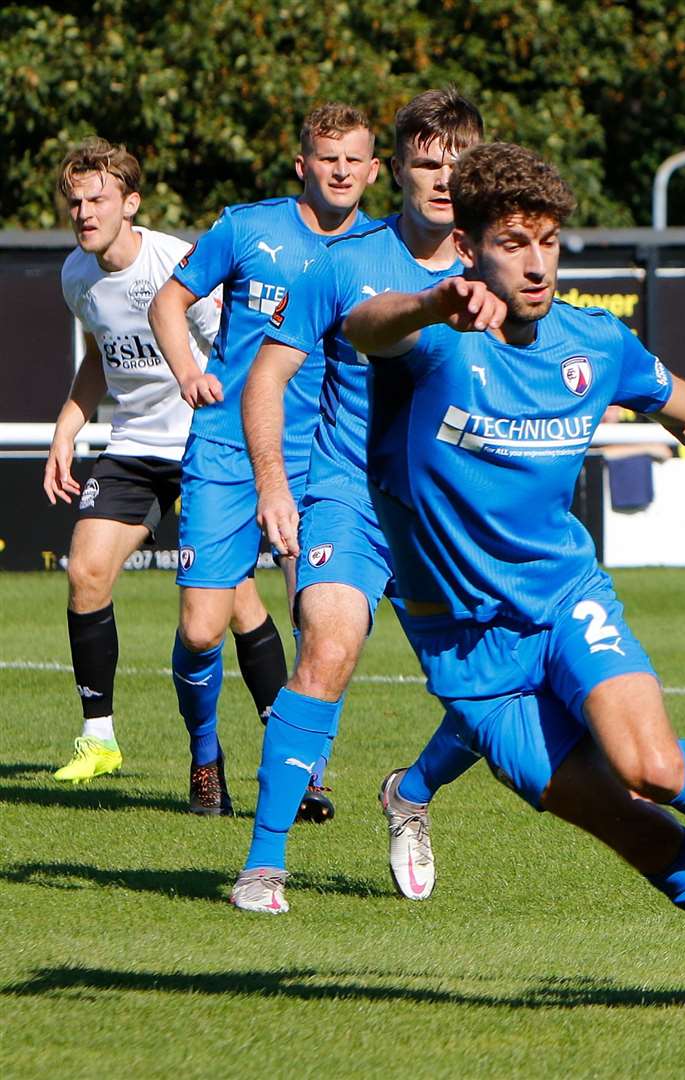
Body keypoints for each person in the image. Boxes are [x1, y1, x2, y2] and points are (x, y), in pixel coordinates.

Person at [342, 142, 685, 965]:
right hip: (466, 654)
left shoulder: (594, 343)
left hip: (566, 598)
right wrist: (430, 305)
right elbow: (361, 326)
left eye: (549, 242)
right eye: (512, 244)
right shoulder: (430, 340)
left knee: (655, 768)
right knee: (640, 836)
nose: (536, 265)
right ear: (468, 249)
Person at [229, 89, 488, 911]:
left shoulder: (502, 266)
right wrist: (275, 483)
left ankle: (409, 794)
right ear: (398, 171)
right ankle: (264, 865)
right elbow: (266, 377)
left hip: (451, 518)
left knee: (496, 698)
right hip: (349, 496)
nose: (442, 180)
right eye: (425, 163)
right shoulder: (345, 263)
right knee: (328, 647)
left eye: (456, 164)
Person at [149, 103, 380, 815]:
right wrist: (188, 370)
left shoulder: (384, 248)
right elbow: (168, 303)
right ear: (302, 164)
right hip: (225, 449)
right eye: (327, 157)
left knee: (323, 623)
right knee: (199, 629)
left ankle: (302, 770)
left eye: (354, 159)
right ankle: (204, 753)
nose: (340, 171)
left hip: (324, 460)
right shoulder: (247, 227)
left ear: (375, 170)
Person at [45, 137, 252, 782]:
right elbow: (99, 359)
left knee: (236, 604)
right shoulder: (76, 276)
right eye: (74, 201)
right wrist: (66, 429)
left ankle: (296, 757)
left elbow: (232, 352)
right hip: (133, 447)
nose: (83, 213)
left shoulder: (176, 263)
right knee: (85, 571)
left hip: (204, 444)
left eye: (97, 199)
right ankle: (99, 738)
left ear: (131, 203)